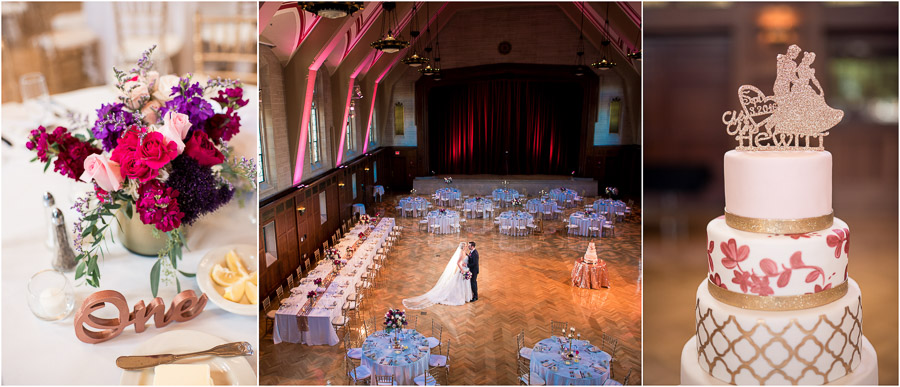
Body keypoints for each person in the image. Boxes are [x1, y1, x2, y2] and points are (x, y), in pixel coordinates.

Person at [402, 242, 473, 309]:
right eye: (466, 246)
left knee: (461, 284)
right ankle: (459, 297)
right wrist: (462, 269)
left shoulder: (464, 252)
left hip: (465, 269)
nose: (467, 247)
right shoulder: (461, 253)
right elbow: (458, 262)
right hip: (462, 270)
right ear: (463, 247)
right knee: (459, 284)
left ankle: (464, 296)